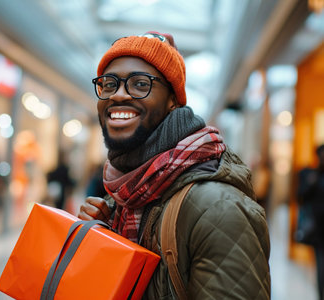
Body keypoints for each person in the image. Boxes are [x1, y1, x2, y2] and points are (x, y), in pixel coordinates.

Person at [78, 32, 270, 299]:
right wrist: (101, 236)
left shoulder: (218, 208)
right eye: (109, 84)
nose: (118, 95)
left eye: (140, 84)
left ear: (173, 100)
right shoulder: (124, 198)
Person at [297, 144, 324, 300]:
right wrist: (311, 183)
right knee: (321, 268)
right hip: (318, 231)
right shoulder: (310, 175)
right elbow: (301, 196)